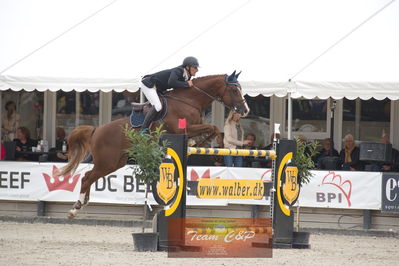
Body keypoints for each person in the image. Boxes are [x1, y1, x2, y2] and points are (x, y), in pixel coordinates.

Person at [140, 56, 199, 131]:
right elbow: (171, 82)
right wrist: (186, 84)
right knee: (158, 106)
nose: (197, 70)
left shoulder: (187, 76)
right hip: (149, 84)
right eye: (195, 68)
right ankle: (143, 129)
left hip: (159, 88)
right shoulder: (178, 70)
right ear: (187, 67)